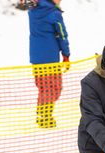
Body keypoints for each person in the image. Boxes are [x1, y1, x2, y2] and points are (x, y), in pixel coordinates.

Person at [28, 0, 70, 128]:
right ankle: (45, 116)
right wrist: (66, 54)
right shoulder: (54, 13)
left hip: (36, 58)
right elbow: (62, 35)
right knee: (54, 88)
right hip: (50, 59)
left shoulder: (33, 10)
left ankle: (42, 114)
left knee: (43, 87)